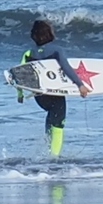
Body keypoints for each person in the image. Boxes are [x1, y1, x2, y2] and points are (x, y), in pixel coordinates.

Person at [24, 18, 91, 157]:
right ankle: (54, 158)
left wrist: (19, 93)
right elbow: (66, 68)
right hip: (55, 93)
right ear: (49, 33)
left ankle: (48, 151)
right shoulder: (57, 50)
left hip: (39, 96)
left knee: (50, 119)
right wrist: (80, 85)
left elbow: (20, 74)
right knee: (59, 125)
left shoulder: (28, 53)